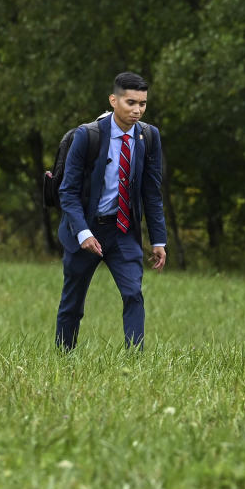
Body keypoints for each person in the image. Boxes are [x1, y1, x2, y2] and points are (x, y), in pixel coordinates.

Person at [55, 72, 167, 350]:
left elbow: (151, 193)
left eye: (142, 103)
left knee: (133, 294)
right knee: (73, 303)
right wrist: (83, 233)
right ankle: (63, 356)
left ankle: (135, 361)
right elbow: (67, 192)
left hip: (123, 230)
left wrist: (158, 239)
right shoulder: (87, 136)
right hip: (85, 229)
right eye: (131, 102)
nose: (137, 110)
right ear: (113, 100)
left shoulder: (149, 137)